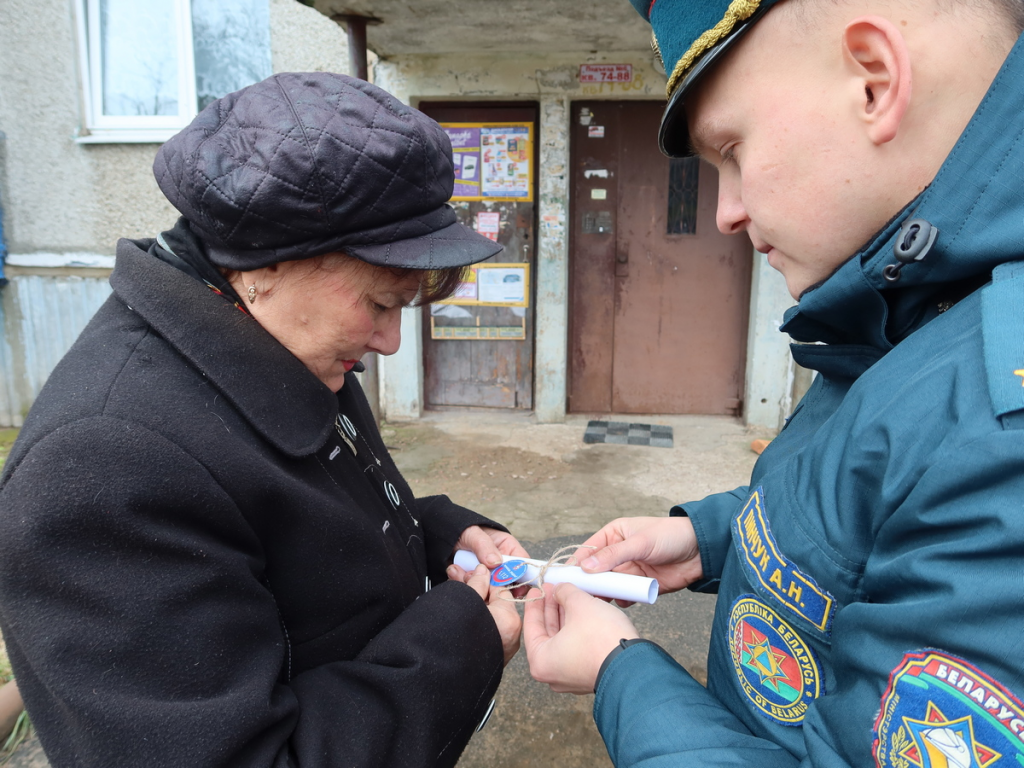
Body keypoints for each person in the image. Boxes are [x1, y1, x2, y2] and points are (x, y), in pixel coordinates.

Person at [524, 0, 1024, 765]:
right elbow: (869, 495)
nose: (725, 213)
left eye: (730, 148)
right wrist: (709, 540)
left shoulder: (1003, 424)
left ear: (874, 80)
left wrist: (619, 672)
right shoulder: (919, 303)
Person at [0, 73, 526, 768]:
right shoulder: (102, 465)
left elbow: (297, 523)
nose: (391, 341)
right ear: (266, 263)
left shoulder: (274, 339)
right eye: (379, 303)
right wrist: (459, 640)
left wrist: (434, 532)